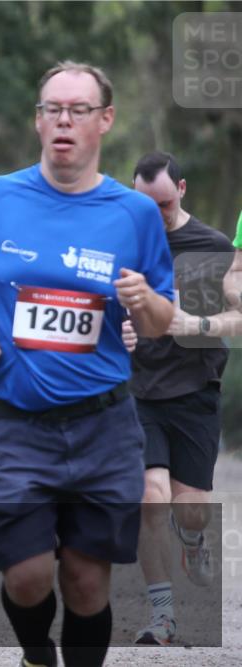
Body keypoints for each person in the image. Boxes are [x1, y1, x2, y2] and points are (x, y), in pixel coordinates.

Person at [0, 61, 174, 667]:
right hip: (13, 420)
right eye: (53, 109)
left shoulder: (134, 213)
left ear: (106, 119)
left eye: (78, 110)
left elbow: (158, 320)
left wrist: (144, 301)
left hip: (103, 425)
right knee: (27, 577)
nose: (64, 121)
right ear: (38, 120)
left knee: (87, 582)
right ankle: (36, 653)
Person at [128, 152, 235, 645]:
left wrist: (199, 324)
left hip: (194, 390)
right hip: (139, 392)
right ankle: (163, 617)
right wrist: (118, 334)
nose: (156, 216)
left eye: (165, 204)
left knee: (191, 510)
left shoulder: (214, 247)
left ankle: (193, 537)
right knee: (150, 498)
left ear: (183, 190)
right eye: (145, 206)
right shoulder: (122, 244)